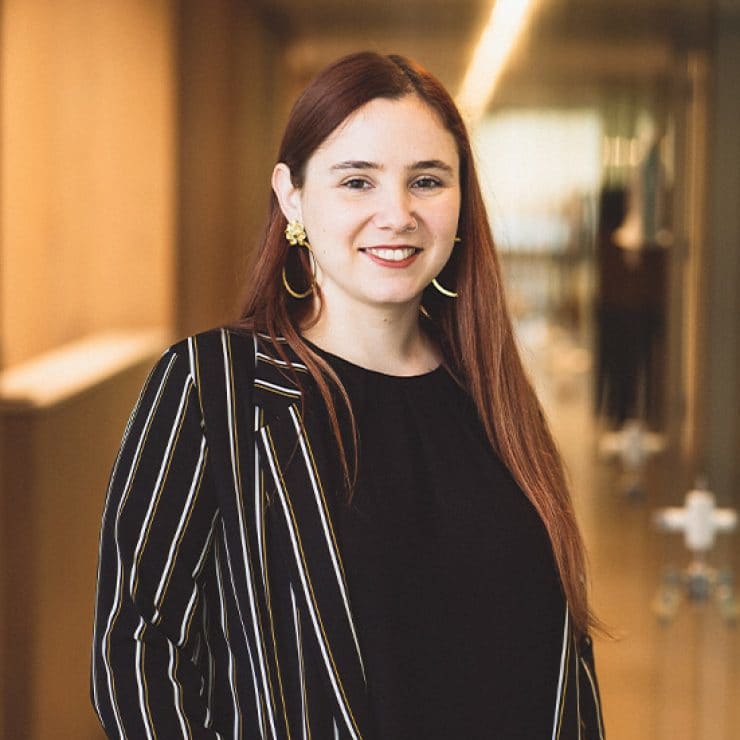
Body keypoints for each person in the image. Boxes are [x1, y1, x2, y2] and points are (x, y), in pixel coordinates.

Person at [91, 51, 606, 739]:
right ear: (292, 195)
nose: (398, 214)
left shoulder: (493, 395)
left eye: (427, 181)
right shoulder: (215, 387)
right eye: (358, 181)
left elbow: (565, 663)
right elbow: (136, 654)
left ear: (462, 200)